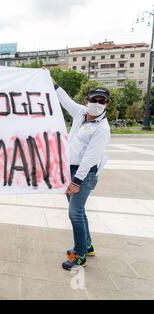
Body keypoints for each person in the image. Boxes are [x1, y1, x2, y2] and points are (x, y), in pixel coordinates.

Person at [53, 80, 111, 271]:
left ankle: (79, 256)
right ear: (87, 100)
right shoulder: (80, 112)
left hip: (83, 174)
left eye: (102, 101)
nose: (98, 103)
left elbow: (90, 157)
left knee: (75, 213)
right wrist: (51, 82)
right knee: (79, 210)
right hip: (68, 170)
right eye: (95, 99)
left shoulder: (102, 128)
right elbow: (65, 100)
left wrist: (77, 181)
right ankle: (87, 245)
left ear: (107, 104)